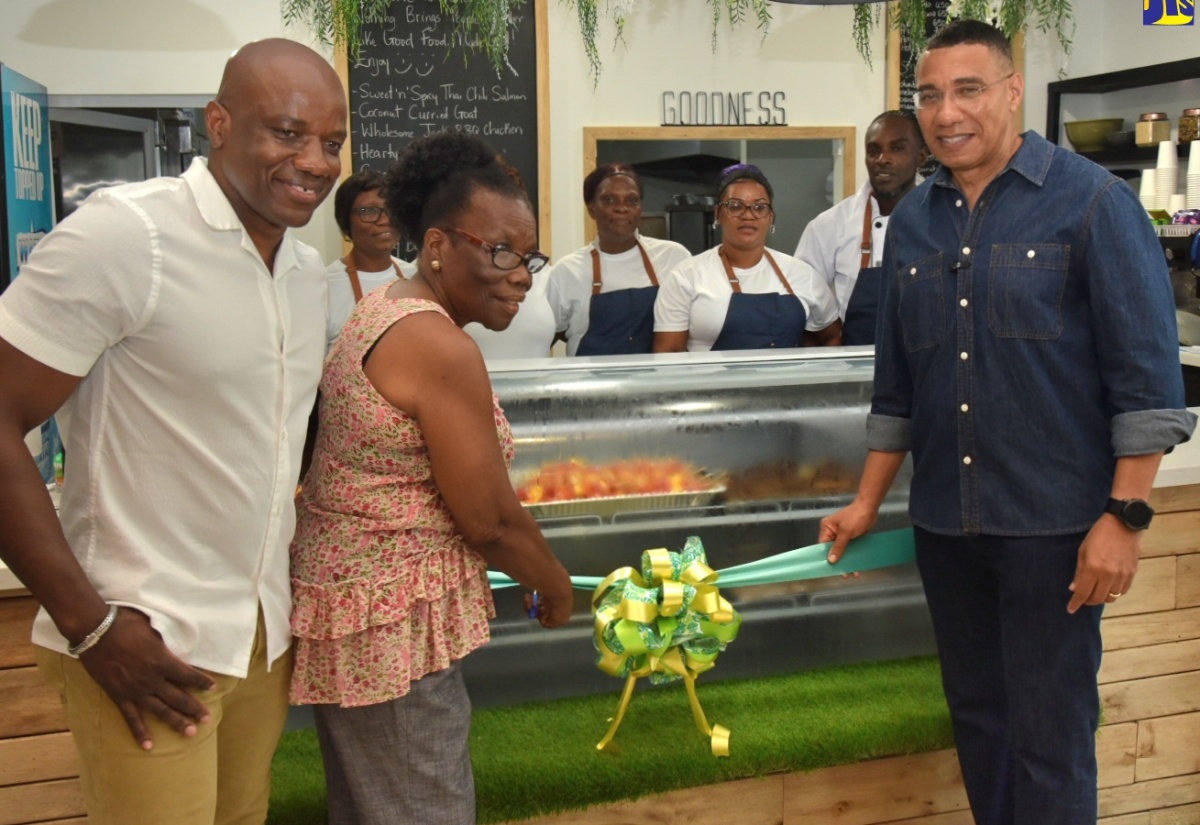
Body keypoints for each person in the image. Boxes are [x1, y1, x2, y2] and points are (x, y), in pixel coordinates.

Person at [819, 20, 1195, 825]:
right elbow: (898, 393)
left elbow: (1150, 388)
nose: (947, 112)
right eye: (929, 94)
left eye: (968, 89)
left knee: (1050, 738)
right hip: (947, 531)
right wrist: (864, 501)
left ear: (1013, 90)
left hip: (1054, 532)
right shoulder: (912, 224)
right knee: (981, 725)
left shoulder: (1095, 202)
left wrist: (1123, 519)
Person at [0, 39, 347, 825]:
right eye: (287, 132)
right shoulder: (127, 237)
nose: (316, 162)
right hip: (143, 637)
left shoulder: (302, 272)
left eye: (332, 142)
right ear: (217, 123)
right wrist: (93, 628)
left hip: (260, 633)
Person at [288, 130, 574, 825]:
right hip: (391, 622)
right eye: (500, 250)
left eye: (528, 255)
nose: (522, 275)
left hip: (357, 605)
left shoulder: (384, 308)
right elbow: (490, 520)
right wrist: (554, 582)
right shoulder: (438, 344)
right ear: (439, 243)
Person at [653, 164, 841, 352]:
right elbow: (669, 354)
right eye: (735, 206)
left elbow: (833, 336)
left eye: (759, 207)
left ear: (771, 217)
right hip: (713, 382)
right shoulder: (686, 276)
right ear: (718, 214)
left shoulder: (803, 275)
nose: (748, 215)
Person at [795, 110, 928, 345]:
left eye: (897, 148)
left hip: (928, 367)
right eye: (874, 150)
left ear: (921, 157)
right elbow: (801, 303)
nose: (883, 159)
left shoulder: (947, 217)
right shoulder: (829, 226)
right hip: (856, 369)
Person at [546, 163, 690, 355]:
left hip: (658, 383)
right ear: (591, 208)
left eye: (632, 200)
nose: (621, 208)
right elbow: (547, 336)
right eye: (609, 200)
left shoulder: (673, 257)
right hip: (590, 382)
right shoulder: (566, 271)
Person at [325, 169, 416, 347]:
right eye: (368, 211)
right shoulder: (325, 285)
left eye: (392, 209)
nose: (384, 220)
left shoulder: (414, 277)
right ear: (345, 221)